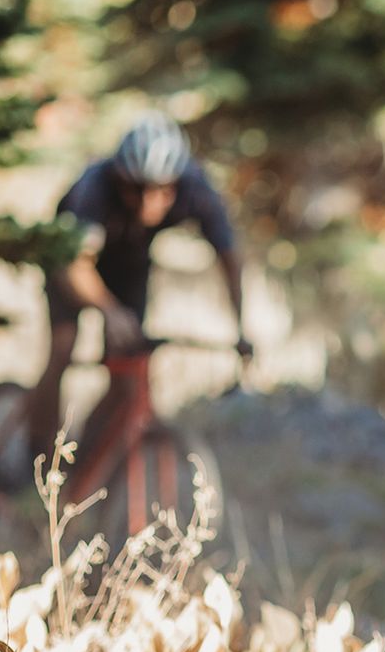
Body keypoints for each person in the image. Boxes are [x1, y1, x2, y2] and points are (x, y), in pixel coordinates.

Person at [20, 113, 250, 466]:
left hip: (129, 265)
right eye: (137, 189)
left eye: (161, 190)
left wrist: (240, 327)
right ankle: (33, 460)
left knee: (128, 371)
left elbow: (230, 259)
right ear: (120, 177)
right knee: (63, 352)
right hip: (70, 262)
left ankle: (83, 465)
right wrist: (108, 310)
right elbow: (73, 267)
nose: (149, 202)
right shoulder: (94, 189)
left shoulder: (196, 188)